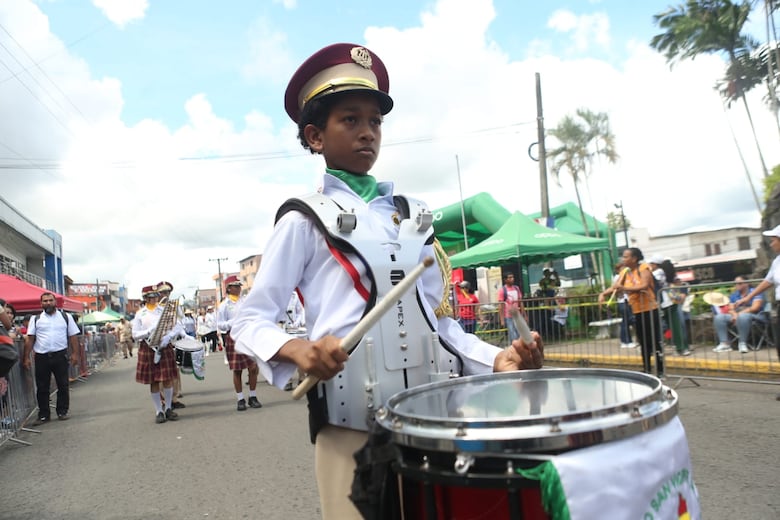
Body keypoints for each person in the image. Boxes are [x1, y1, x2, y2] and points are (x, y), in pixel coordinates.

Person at [231, 42, 543, 519]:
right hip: (348, 421)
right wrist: (299, 351)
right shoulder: (302, 219)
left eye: (374, 122)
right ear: (315, 136)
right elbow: (250, 318)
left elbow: (438, 327)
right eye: (350, 120)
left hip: (428, 418)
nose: (367, 133)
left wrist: (496, 359)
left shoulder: (413, 217)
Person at [599, 248, 665, 378]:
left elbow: (644, 285)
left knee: (654, 340)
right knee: (642, 340)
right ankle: (646, 369)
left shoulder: (643, 268)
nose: (623, 259)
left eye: (626, 257)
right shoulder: (625, 272)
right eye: (623, 257)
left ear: (634, 258)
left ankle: (661, 370)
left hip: (650, 309)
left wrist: (625, 289)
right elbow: (616, 287)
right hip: (637, 309)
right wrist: (603, 294)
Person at [21, 292, 80, 423]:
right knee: (42, 387)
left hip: (60, 355)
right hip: (42, 357)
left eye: (50, 300)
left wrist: (75, 353)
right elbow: (30, 339)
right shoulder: (36, 319)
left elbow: (73, 336)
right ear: (41, 303)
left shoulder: (66, 317)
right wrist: (26, 357)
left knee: (63, 385)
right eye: (45, 301)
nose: (48, 303)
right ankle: (43, 415)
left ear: (55, 302)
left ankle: (62, 411)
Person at [737, 224, 780, 400]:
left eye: (774, 240)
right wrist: (749, 297)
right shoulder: (777, 262)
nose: (771, 244)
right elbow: (767, 281)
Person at [132, 285, 181, 424]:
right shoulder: (140, 314)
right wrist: (148, 332)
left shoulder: (164, 310)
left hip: (164, 345)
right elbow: (134, 334)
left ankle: (169, 408)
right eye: (151, 296)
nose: (154, 298)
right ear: (145, 298)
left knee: (168, 379)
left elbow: (176, 325)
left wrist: (169, 336)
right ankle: (159, 410)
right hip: (148, 347)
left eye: (155, 295)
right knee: (153, 380)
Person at [217, 275, 261, 411]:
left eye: (239, 286)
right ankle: (240, 398)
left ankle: (252, 396)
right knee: (237, 370)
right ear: (229, 288)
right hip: (233, 336)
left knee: (253, 367)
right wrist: (232, 322)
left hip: (247, 336)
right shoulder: (224, 305)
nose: (239, 288)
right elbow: (220, 325)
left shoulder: (245, 301)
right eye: (236, 286)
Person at [713, 276, 766, 354]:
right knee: (719, 317)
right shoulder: (734, 295)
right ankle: (724, 343)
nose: (737, 285)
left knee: (743, 317)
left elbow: (755, 308)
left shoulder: (755, 292)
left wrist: (739, 314)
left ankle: (742, 343)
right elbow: (730, 309)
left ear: (747, 283)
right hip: (738, 315)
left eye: (740, 283)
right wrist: (734, 314)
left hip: (756, 316)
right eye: (735, 284)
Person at [611, 262, 637, 349]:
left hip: (626, 301)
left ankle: (626, 340)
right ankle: (626, 341)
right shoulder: (618, 278)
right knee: (627, 321)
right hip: (623, 301)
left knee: (625, 322)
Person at [497, 272, 526, 342]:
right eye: (510, 278)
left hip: (517, 315)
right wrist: (502, 320)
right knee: (513, 334)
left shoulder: (516, 288)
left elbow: (520, 301)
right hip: (508, 316)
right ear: (505, 280)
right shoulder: (502, 290)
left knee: (520, 334)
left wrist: (524, 314)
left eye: (512, 277)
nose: (512, 279)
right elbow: (501, 306)